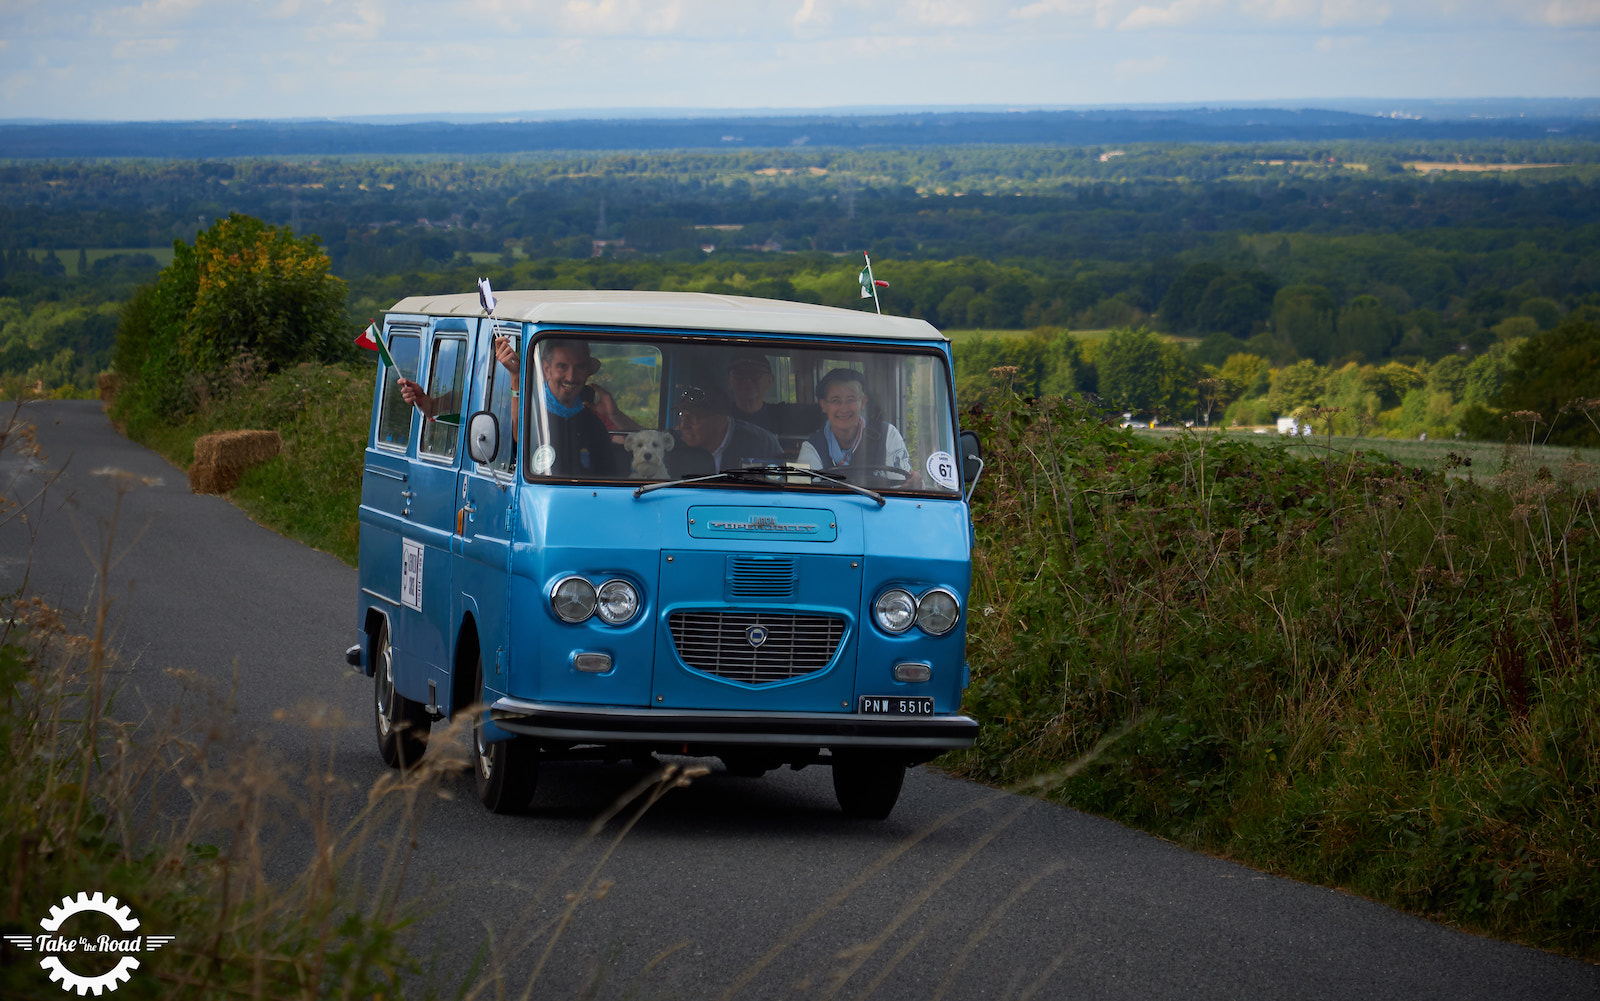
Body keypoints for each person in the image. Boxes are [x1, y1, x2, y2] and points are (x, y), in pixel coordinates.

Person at [795, 368, 914, 483]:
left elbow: (901, 486)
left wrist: (914, 484)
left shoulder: (888, 434)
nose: (843, 408)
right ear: (824, 405)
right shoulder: (811, 448)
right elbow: (805, 496)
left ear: (862, 402)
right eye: (835, 400)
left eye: (850, 400)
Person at [673, 385, 783, 470]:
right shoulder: (672, 445)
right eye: (682, 415)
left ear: (720, 422)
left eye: (692, 418)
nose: (683, 426)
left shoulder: (763, 444)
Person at [724, 353, 810, 436]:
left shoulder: (786, 415)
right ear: (729, 381)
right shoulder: (720, 419)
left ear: (770, 380)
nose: (747, 380)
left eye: (755, 373)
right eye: (740, 374)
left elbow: (821, 411)